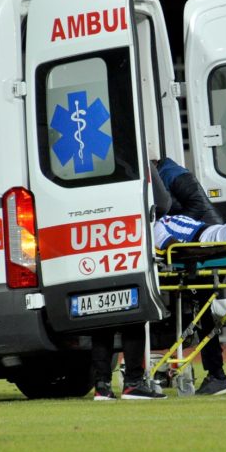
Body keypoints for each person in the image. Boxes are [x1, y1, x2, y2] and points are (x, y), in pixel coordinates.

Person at [154, 156, 226, 396]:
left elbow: (197, 205)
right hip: (194, 244)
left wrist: (169, 223)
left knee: (203, 313)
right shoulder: (165, 173)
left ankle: (217, 375)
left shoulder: (172, 173)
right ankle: (213, 374)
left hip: (202, 247)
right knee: (199, 313)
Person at [91, 165, 169, 401]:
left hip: (93, 246)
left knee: (100, 315)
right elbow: (162, 203)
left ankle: (102, 386)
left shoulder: (85, 175)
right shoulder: (135, 163)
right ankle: (133, 383)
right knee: (133, 315)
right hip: (128, 243)